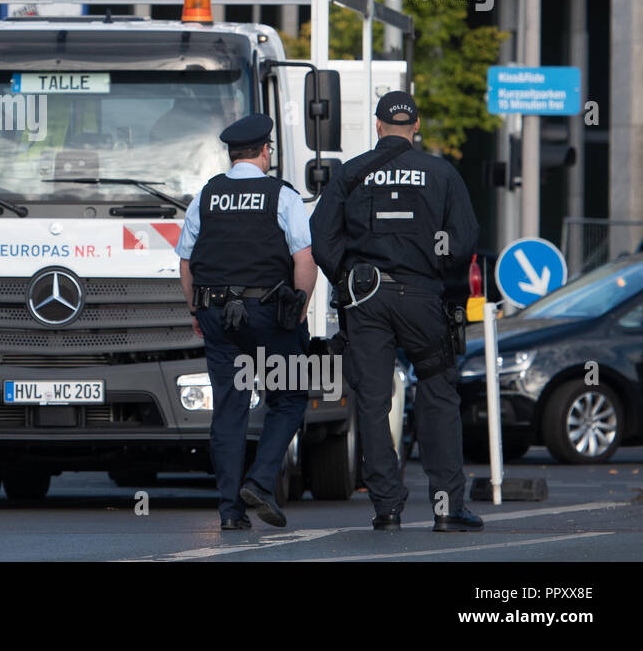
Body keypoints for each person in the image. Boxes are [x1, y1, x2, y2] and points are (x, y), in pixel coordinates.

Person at [309, 91, 483, 532]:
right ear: (416, 125)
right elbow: (462, 243)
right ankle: (446, 507)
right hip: (424, 298)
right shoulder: (441, 172)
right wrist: (452, 299)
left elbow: (321, 235)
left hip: (367, 300)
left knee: (372, 401)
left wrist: (348, 279)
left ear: (379, 125)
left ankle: (386, 506)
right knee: (438, 394)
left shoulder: (351, 173)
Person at [176, 114, 317, 531]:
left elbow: (185, 263)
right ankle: (259, 480)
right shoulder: (282, 196)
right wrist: (301, 309)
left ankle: (229, 511)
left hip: (217, 315)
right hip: (269, 315)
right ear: (264, 151)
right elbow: (304, 260)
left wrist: (195, 312)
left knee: (230, 409)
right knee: (289, 397)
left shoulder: (207, 195)